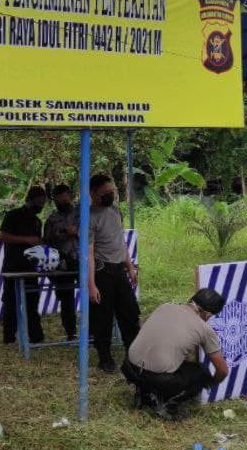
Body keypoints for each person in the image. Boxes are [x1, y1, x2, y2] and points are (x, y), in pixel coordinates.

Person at [122, 288, 229, 420]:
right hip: (155, 377)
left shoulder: (165, 307)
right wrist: (210, 383)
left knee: (167, 360)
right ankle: (168, 407)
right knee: (201, 372)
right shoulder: (204, 329)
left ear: (191, 299)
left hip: (129, 366)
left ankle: (144, 392)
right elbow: (223, 370)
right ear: (208, 314)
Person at [88, 174, 140, 372]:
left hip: (120, 270)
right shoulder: (90, 217)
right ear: (93, 194)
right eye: (106, 193)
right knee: (103, 317)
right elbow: (89, 253)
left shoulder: (116, 211)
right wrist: (91, 284)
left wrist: (130, 267)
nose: (111, 195)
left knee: (130, 313)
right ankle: (105, 357)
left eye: (113, 192)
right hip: (102, 271)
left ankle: (134, 355)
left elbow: (122, 243)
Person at [0, 186, 48, 344]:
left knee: (32, 302)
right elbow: (2, 236)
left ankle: (36, 337)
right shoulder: (12, 215)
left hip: (31, 268)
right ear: (30, 200)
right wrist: (26, 240)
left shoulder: (37, 221)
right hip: (12, 267)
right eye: (39, 203)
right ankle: (9, 338)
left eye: (43, 204)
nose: (41, 206)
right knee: (11, 303)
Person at [43, 184, 79, 340]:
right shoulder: (51, 219)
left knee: (92, 295)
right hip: (63, 264)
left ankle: (93, 332)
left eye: (63, 197)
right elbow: (46, 241)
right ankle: (71, 332)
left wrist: (77, 232)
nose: (61, 200)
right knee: (66, 298)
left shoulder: (81, 214)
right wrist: (64, 233)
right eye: (57, 198)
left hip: (83, 260)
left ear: (70, 196)